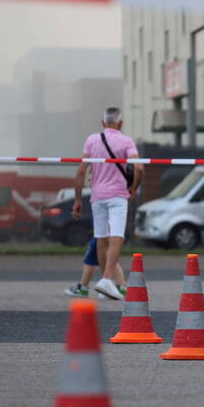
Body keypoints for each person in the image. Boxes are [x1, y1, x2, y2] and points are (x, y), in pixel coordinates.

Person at [72, 107, 143, 300]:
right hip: (118, 195)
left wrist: (77, 200)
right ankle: (106, 279)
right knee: (116, 236)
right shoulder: (126, 141)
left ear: (103, 122)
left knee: (101, 238)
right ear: (120, 124)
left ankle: (107, 282)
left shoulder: (91, 140)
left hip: (98, 196)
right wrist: (134, 187)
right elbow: (139, 167)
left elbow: (81, 171)